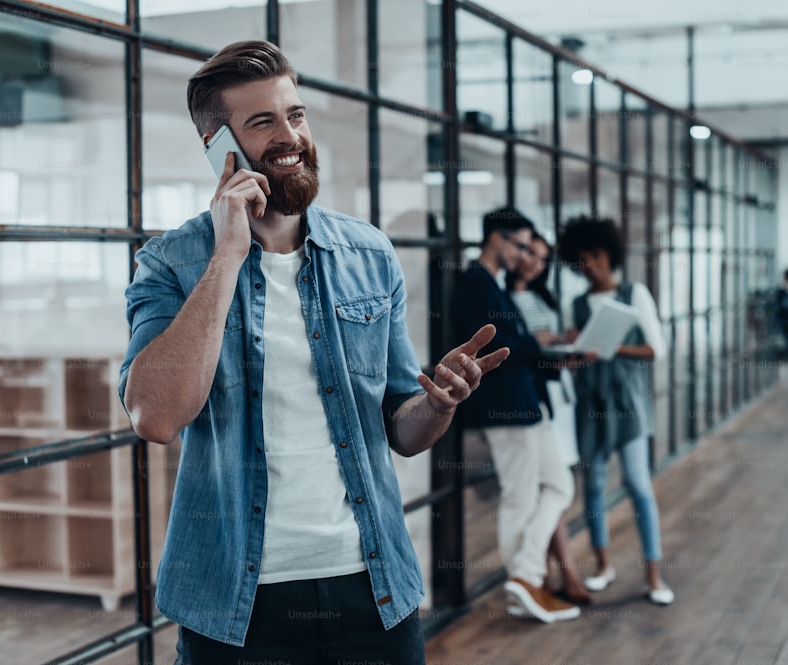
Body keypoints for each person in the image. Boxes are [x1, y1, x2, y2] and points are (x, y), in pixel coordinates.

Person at [119, 40, 508, 664]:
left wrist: (439, 403)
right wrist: (228, 253)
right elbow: (156, 416)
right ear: (220, 147)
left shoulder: (369, 254)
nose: (289, 135)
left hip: (373, 590)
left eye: (294, 114)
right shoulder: (171, 263)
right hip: (236, 607)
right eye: (262, 122)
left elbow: (402, 428)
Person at [452, 207, 581, 623]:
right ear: (497, 239)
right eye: (521, 245)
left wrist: (534, 343)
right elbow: (496, 349)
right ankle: (525, 583)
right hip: (505, 406)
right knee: (519, 497)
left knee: (559, 485)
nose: (525, 255)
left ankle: (525, 578)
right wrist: (536, 343)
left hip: (525, 403)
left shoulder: (493, 284)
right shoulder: (475, 283)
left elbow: (513, 342)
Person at [556, 215, 674, 606]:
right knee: (592, 487)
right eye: (580, 262)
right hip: (590, 404)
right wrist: (576, 351)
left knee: (639, 485)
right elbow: (574, 361)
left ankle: (653, 576)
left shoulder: (634, 293)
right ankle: (603, 566)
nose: (588, 266)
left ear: (608, 253)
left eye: (593, 257)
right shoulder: (575, 304)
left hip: (628, 404)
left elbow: (656, 349)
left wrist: (612, 346)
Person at [506, 231, 592, 605]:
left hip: (557, 394)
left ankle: (549, 571)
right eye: (530, 253)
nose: (534, 263)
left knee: (557, 485)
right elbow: (521, 346)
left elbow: (543, 344)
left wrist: (566, 348)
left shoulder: (543, 295)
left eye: (542, 259)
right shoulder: (502, 296)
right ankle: (553, 571)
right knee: (550, 487)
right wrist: (551, 344)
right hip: (534, 394)